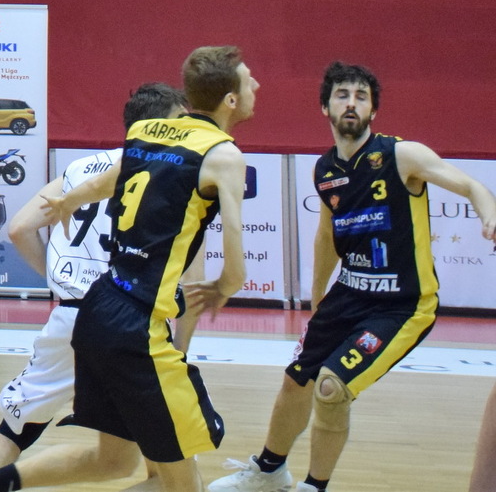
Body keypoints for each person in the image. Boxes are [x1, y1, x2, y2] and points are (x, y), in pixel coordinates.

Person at [0, 45, 256, 492]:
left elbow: (31, 222)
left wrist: (66, 210)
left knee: (108, 458)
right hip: (138, 325)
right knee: (179, 482)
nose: (256, 85)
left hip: (94, 308)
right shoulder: (217, 156)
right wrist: (224, 287)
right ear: (228, 99)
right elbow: (219, 267)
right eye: (250, 80)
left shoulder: (136, 142)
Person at [208, 61, 496, 492]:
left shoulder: (402, 155)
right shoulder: (324, 169)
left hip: (401, 304)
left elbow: (473, 187)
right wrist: (316, 296)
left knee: (331, 388)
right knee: (296, 379)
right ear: (325, 107)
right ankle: (268, 471)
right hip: (347, 294)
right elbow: (327, 235)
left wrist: (489, 215)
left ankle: (314, 486)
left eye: (361, 97)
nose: (351, 103)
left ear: (373, 110)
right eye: (342, 95)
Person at [0, 83, 190, 492]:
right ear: (164, 127)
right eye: (182, 121)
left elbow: (19, 228)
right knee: (167, 470)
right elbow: (185, 274)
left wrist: (60, 282)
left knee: (17, 428)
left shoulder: (80, 169)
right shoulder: (169, 176)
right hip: (128, 320)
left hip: (69, 316)